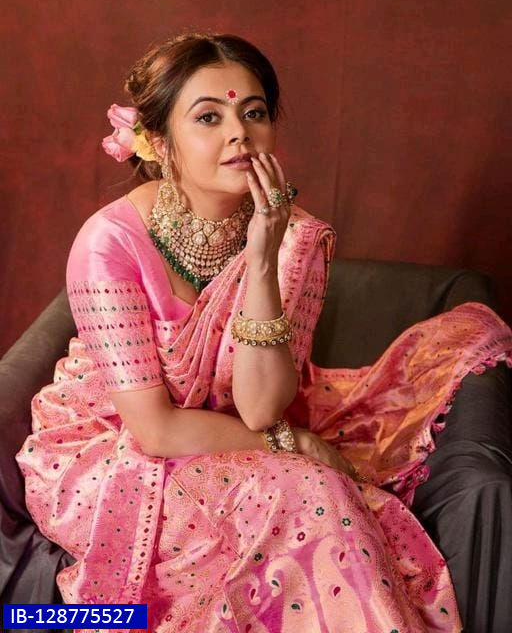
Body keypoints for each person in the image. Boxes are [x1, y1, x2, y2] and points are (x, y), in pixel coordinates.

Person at [15, 32, 512, 633]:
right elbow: (154, 427)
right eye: (209, 117)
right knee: (308, 492)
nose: (239, 134)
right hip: (115, 444)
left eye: (254, 113)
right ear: (160, 142)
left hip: (237, 431)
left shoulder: (295, 238)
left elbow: (257, 408)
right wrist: (291, 444)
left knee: (314, 497)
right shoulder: (110, 242)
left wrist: (261, 260)